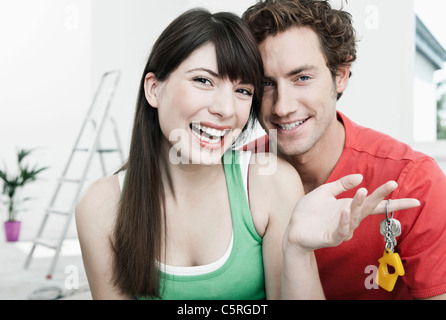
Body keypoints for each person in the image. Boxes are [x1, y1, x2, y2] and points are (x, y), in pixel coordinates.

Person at [75, 8, 418, 300]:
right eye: (203, 81)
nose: (225, 109)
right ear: (154, 88)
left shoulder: (271, 182)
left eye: (242, 90)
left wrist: (297, 249)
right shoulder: (102, 206)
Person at [242, 0, 446, 300]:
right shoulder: (235, 173)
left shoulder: (413, 180)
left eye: (302, 78)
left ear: (340, 75)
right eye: (266, 83)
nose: (282, 107)